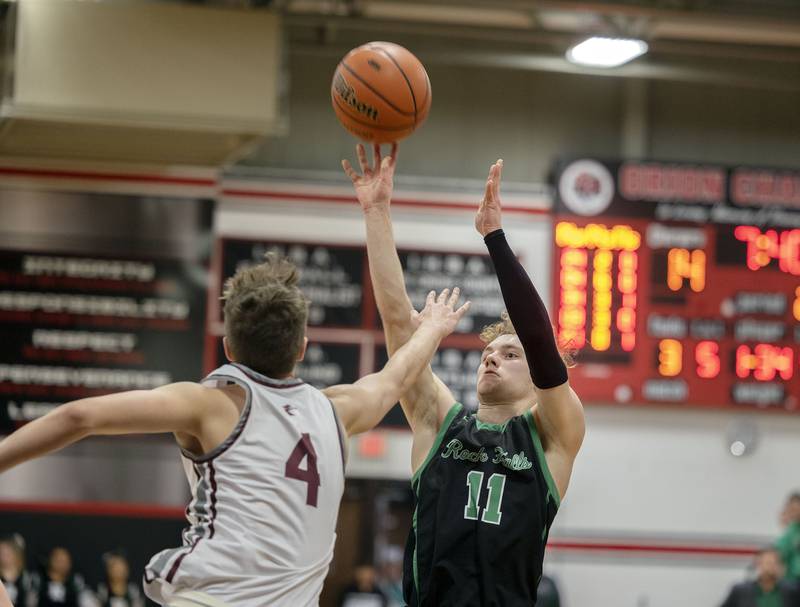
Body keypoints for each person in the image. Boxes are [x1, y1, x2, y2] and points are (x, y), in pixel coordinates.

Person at [0, 252, 470, 607]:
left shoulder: (209, 404)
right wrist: (433, 329)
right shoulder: (336, 411)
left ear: (228, 346)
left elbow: (78, 418)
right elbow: (395, 377)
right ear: (303, 347)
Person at [345, 144, 585, 606]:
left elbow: (541, 342)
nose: (490, 358)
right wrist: (376, 212)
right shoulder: (441, 424)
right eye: (488, 353)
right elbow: (398, 323)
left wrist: (495, 236)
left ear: (536, 378)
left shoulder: (551, 436)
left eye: (509, 355)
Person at [720, 547, 800, 607]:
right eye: (768, 563)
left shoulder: (792, 591)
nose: (771, 567)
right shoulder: (740, 591)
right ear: (758, 564)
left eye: (776, 563)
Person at [0, 534, 34, 607]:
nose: (4, 556)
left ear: (16, 554)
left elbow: (31, 601)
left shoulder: (26, 578)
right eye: (1, 553)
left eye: (7, 553)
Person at [776, 492, 800, 582]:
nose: (795, 512)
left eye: (797, 508)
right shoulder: (788, 533)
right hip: (791, 581)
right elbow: (781, 556)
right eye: (792, 509)